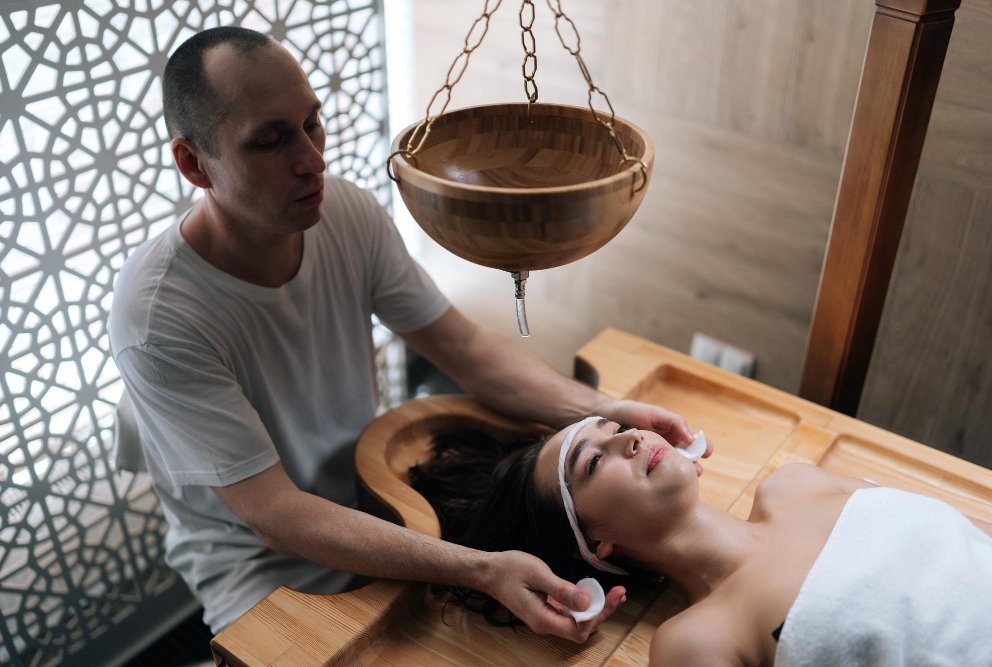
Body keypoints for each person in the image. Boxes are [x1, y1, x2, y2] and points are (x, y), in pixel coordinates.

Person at [107, 26, 707, 638]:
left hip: (374, 494)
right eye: (270, 141)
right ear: (194, 163)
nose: (313, 160)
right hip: (257, 562)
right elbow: (274, 512)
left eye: (312, 124)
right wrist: (479, 569)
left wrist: (603, 410)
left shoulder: (345, 214)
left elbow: (464, 348)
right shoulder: (158, 317)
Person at [411, 417, 992, 665]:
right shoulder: (694, 641)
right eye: (593, 462)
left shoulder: (796, 484)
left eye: (617, 428)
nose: (631, 440)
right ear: (595, 544)